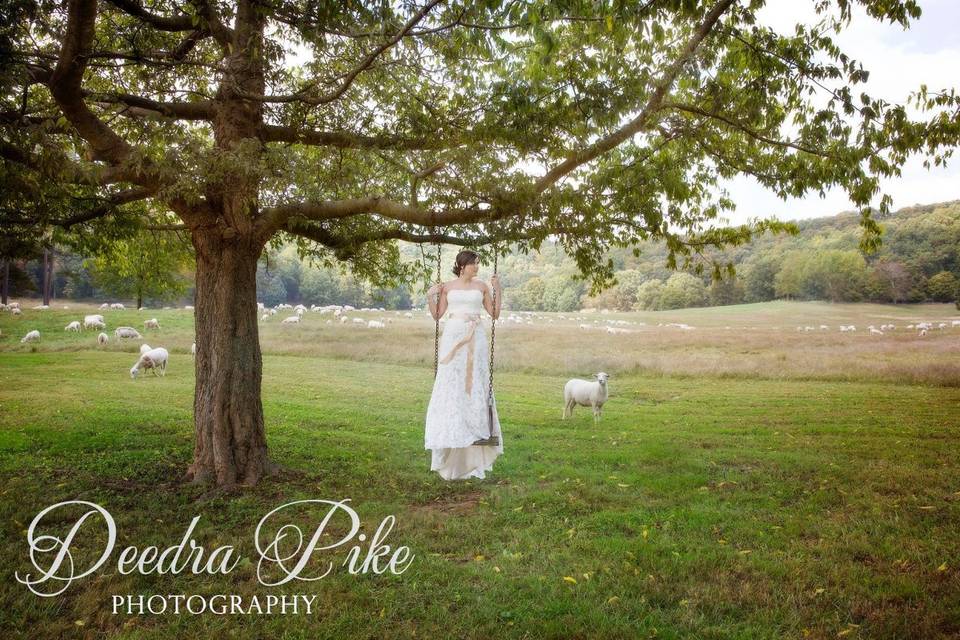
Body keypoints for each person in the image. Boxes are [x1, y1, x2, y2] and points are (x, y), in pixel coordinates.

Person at [424, 249, 504, 480]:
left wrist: (498, 288)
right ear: (462, 265)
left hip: (476, 337)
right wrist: (431, 296)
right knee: (452, 383)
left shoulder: (482, 287)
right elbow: (438, 316)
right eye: (474, 263)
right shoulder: (447, 287)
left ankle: (475, 430)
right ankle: (451, 433)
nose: (477, 267)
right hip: (453, 336)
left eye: (478, 264)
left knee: (475, 383)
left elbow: (494, 313)